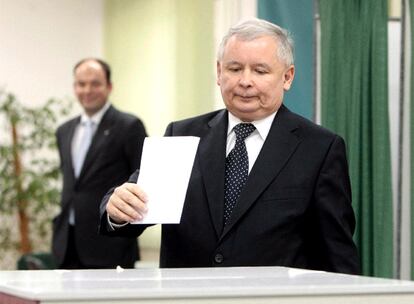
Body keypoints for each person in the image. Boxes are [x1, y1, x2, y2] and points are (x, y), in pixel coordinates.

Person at [99, 19, 360, 274]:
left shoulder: (319, 148)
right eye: (235, 69)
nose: (245, 81)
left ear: (287, 77)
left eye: (260, 71)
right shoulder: (181, 134)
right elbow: (136, 208)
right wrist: (117, 209)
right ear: (219, 72)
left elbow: (337, 254)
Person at [52, 58, 147, 269]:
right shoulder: (64, 131)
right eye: (81, 84)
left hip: (110, 246)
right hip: (67, 244)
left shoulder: (129, 126)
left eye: (95, 83)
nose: (87, 90)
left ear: (109, 86)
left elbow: (142, 179)